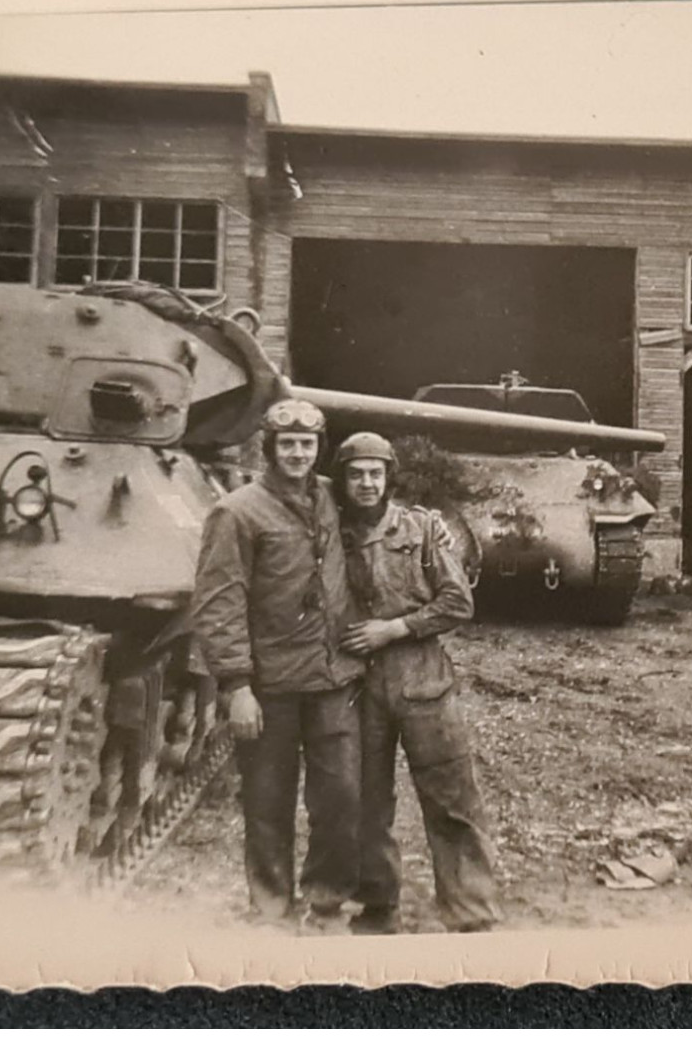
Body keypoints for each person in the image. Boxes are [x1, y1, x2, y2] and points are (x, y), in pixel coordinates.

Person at [192, 399, 364, 930]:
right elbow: (219, 599)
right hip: (270, 685)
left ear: (319, 449)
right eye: (286, 444)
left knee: (339, 797)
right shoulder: (237, 511)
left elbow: (386, 522)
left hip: (333, 677)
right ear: (270, 448)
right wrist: (236, 684)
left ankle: (327, 898)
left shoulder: (334, 501)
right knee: (267, 802)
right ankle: (270, 905)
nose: (297, 453)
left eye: (306, 445)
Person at [333, 431, 502, 935]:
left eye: (375, 474)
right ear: (343, 481)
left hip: (423, 682)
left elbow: (458, 603)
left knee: (452, 800)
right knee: (366, 803)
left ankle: (472, 914)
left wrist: (395, 628)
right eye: (356, 474)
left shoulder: (422, 530)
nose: (366, 484)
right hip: (359, 687)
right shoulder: (330, 534)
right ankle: (377, 906)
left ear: (389, 479)